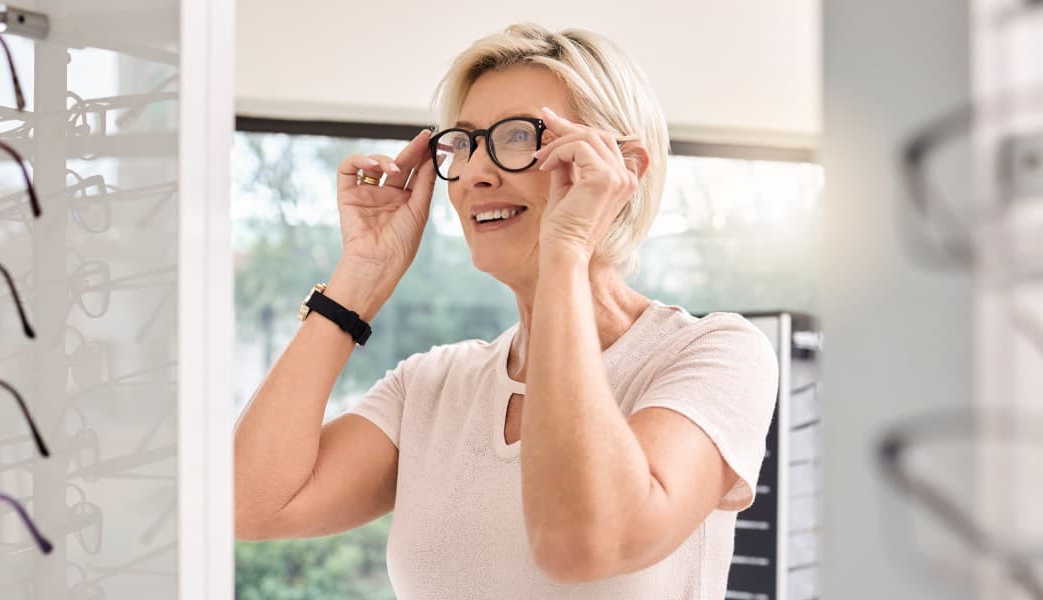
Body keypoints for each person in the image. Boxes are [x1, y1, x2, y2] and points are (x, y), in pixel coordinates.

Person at [234, 23, 779, 599]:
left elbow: (582, 544)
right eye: (463, 143)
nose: (473, 172)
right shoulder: (431, 386)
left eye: (518, 137)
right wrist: (362, 274)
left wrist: (567, 251)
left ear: (624, 170)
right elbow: (250, 504)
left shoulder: (713, 355)